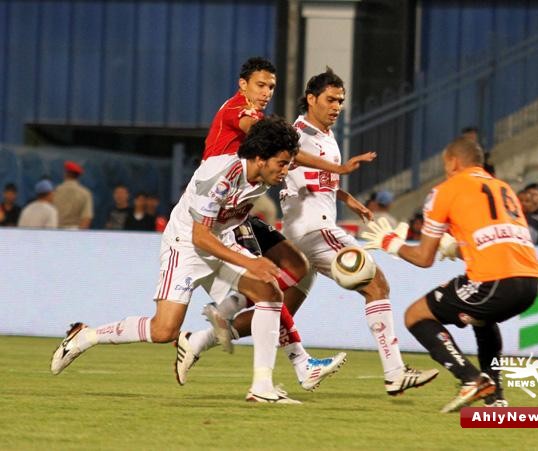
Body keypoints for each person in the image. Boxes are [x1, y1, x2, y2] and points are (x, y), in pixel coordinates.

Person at [51, 116, 303, 403]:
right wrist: (250, 262)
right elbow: (200, 237)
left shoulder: (262, 175)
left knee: (269, 292)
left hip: (220, 241)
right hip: (186, 246)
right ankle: (87, 336)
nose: (286, 170)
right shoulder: (220, 179)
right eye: (282, 163)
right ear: (260, 158)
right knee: (163, 330)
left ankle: (262, 387)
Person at [176, 57, 373, 389]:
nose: (266, 92)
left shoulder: (257, 116)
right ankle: (293, 363)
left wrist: (341, 190)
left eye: (271, 87)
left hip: (240, 206)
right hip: (219, 208)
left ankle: (222, 318)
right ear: (243, 85)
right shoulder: (238, 112)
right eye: (261, 85)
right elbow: (275, 146)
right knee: (269, 283)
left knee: (294, 267)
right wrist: (335, 169)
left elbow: (283, 153)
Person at [275, 68, 438, 395]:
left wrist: (350, 199)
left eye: (341, 101)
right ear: (311, 98)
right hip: (315, 228)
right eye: (330, 100)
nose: (337, 107)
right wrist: (340, 170)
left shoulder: (325, 135)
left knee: (278, 308)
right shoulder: (297, 135)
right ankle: (395, 371)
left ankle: (201, 340)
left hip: (302, 234)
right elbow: (295, 169)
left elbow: (322, 182)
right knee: (377, 284)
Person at [362, 137, 538, 412]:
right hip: (529, 281)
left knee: (416, 315)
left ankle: (470, 379)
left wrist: (391, 243)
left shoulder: (446, 190)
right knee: (482, 319)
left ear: (454, 162)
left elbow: (423, 258)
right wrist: (458, 248)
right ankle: (495, 397)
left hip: (494, 281)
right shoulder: (503, 187)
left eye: (446, 165)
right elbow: (501, 240)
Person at [53, 161, 94, 229]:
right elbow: (86, 218)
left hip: (57, 230)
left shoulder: (55, 191)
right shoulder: (85, 193)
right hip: (75, 232)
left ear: (66, 173)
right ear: (78, 176)